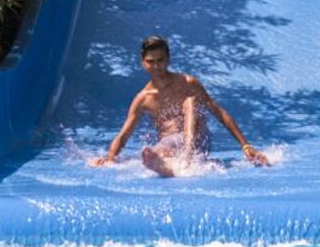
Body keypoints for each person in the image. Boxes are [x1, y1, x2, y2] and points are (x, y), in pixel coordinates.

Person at [91, 35, 270, 176]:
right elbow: (123, 135)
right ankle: (165, 165)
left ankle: (181, 158)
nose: (156, 66)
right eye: (151, 61)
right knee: (159, 148)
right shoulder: (143, 99)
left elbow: (218, 112)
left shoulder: (187, 83)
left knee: (190, 101)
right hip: (169, 144)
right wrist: (110, 157)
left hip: (198, 141)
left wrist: (245, 146)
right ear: (143, 63)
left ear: (168, 59)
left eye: (160, 60)